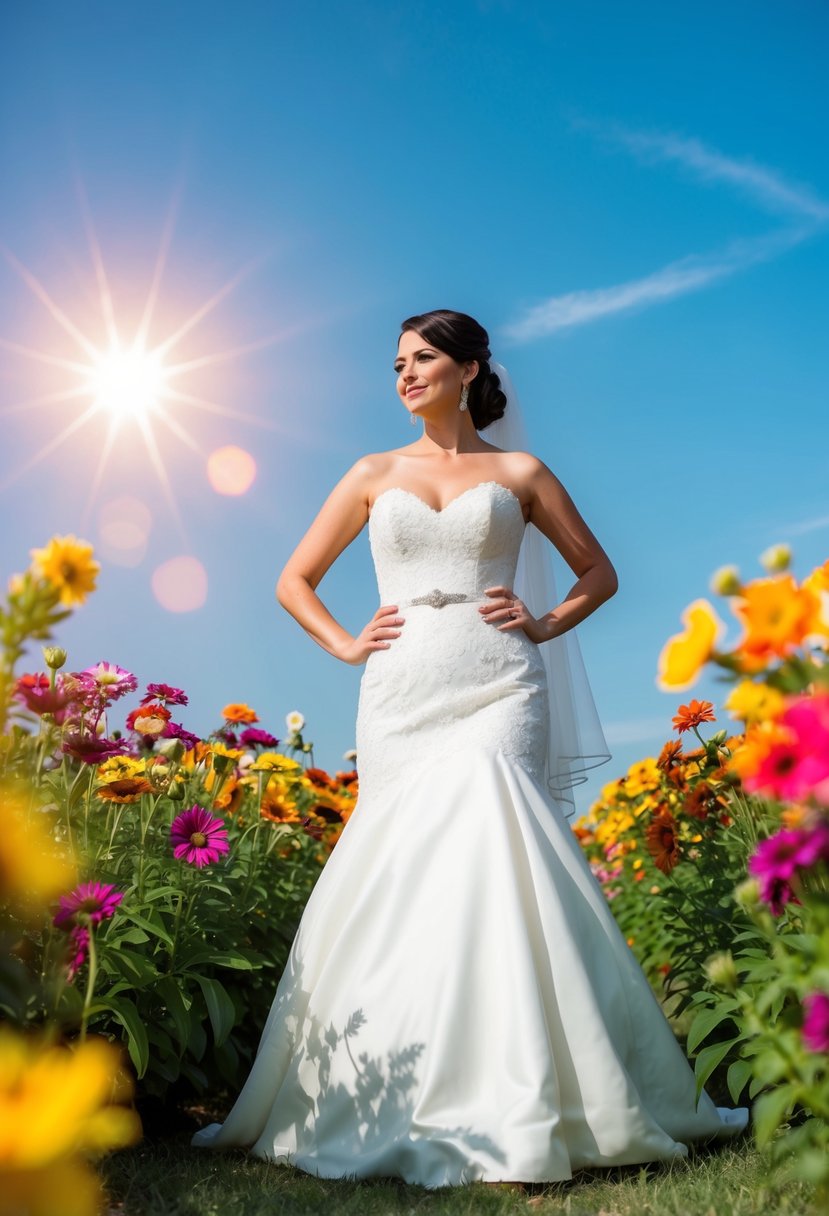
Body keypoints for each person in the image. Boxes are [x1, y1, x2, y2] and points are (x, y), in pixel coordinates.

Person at [191, 309, 748, 1187]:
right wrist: (344, 644)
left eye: (421, 360)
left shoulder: (519, 470)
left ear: (469, 368)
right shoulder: (371, 474)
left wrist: (543, 622)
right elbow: (292, 580)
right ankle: (390, 1088)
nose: (404, 375)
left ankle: (527, 1094)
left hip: (500, 686)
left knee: (499, 851)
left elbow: (597, 571)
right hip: (402, 691)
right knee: (401, 867)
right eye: (397, 364)